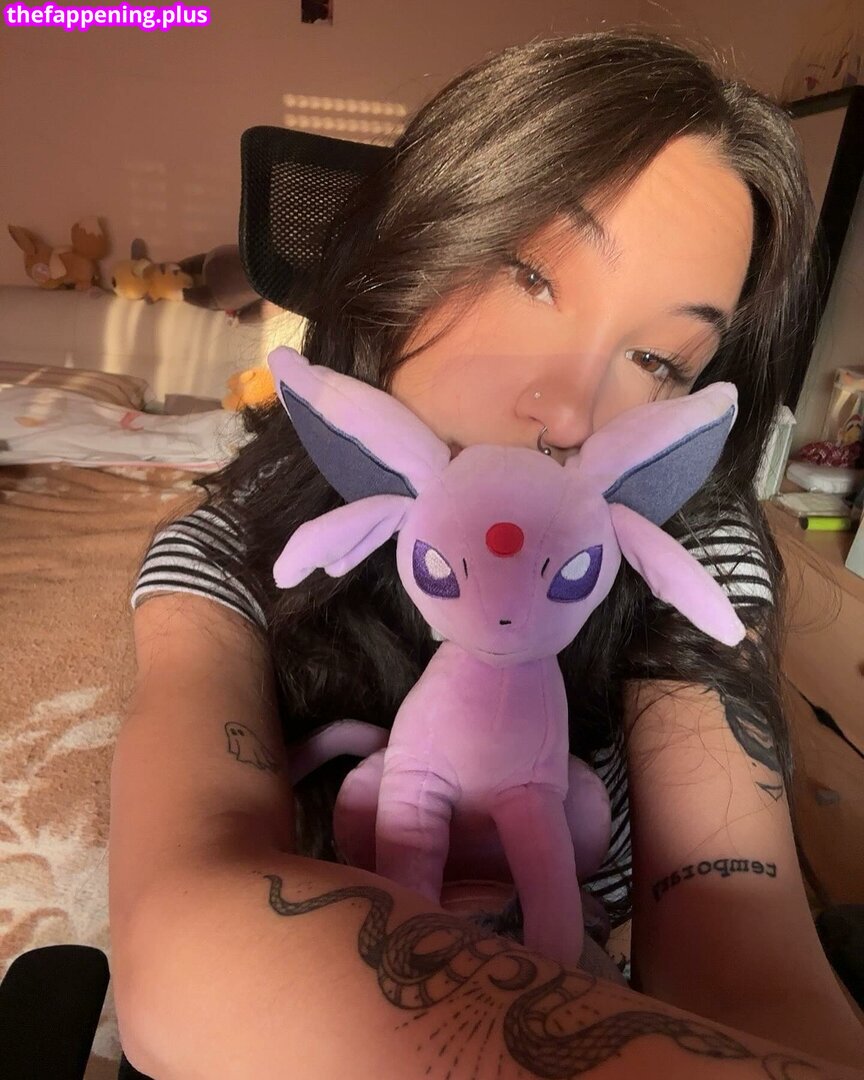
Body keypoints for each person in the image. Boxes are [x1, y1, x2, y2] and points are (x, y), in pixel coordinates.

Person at [108, 28, 864, 1078]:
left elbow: (745, 955)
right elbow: (185, 930)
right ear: (407, 250)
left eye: (658, 357)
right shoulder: (230, 550)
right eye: (531, 277)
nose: (570, 410)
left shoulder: (683, 550)